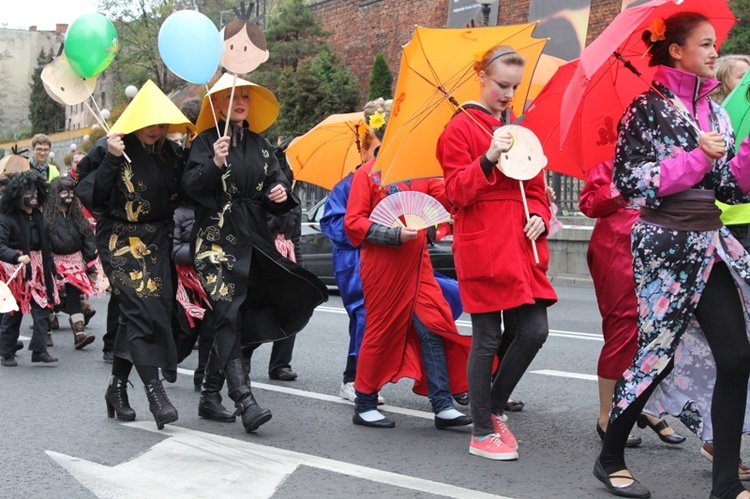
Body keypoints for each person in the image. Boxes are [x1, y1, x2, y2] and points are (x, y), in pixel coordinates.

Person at [594, 12, 750, 499]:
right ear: (677, 51)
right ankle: (610, 457)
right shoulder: (646, 108)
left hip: (711, 241)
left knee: (737, 354)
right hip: (664, 243)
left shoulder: (717, 112)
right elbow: (631, 183)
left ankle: (725, 481)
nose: (713, 53)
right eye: (705, 44)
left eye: (715, 44)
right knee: (655, 355)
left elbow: (727, 184)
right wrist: (698, 157)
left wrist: (741, 156)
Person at [182, 73, 327, 433]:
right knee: (229, 312)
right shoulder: (204, 142)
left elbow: (275, 182)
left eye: (246, 96)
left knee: (238, 317)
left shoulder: (262, 146)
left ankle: (209, 395)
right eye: (233, 96)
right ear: (217, 104)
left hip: (252, 237)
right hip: (214, 240)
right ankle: (244, 399)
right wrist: (214, 164)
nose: (241, 101)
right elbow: (189, 188)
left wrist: (279, 193)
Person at [436, 44, 557, 460]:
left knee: (535, 330)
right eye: (502, 84)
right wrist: (488, 157)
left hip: (521, 246)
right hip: (484, 243)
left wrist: (540, 214)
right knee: (487, 337)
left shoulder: (519, 133)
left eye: (515, 87)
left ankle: (495, 406)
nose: (508, 94)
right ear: (482, 77)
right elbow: (453, 192)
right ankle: (482, 430)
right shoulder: (459, 128)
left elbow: (537, 191)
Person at [344, 98, 472, 430]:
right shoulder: (366, 176)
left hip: (419, 267)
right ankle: (364, 401)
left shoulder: (423, 175)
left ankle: (442, 403)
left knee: (435, 325)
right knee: (382, 330)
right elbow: (354, 223)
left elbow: (450, 195)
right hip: (383, 268)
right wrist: (390, 234)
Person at [75, 80, 193, 430]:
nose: (155, 130)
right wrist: (111, 158)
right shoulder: (108, 147)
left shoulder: (172, 154)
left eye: (161, 124)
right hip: (120, 240)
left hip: (158, 240)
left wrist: (215, 162)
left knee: (142, 314)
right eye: (149, 123)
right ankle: (155, 394)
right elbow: (92, 194)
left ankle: (116, 389)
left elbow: (190, 189)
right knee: (141, 311)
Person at [580, 159, 686, 448]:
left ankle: (644, 407)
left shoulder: (669, 157)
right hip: (618, 249)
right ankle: (606, 416)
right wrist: (623, 188)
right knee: (622, 329)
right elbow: (588, 204)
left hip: (660, 249)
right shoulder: (607, 160)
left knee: (657, 335)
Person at [241, 136, 301, 382]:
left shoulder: (294, 195)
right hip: (265, 254)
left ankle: (280, 364)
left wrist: (299, 266)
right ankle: (244, 352)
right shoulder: (267, 187)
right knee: (262, 310)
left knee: (293, 309)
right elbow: (262, 220)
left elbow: (294, 235)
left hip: (288, 257)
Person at [0, 170, 59, 366]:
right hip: (15, 270)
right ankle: (6, 352)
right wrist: (16, 257)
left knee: (43, 309)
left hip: (38, 268)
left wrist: (53, 270)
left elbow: (47, 245)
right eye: (28, 192)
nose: (33, 196)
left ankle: (39, 351)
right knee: (13, 312)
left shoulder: (40, 217)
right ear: (17, 195)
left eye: (35, 192)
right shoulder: (7, 218)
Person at [42, 175, 98, 350]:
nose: (68, 196)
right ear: (55, 194)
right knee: (50, 296)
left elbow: (88, 237)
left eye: (71, 192)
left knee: (74, 297)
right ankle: (46, 333)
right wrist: (48, 264)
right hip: (53, 260)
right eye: (64, 192)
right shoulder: (46, 216)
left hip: (75, 262)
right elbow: (43, 241)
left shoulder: (77, 215)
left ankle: (79, 333)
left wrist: (90, 263)